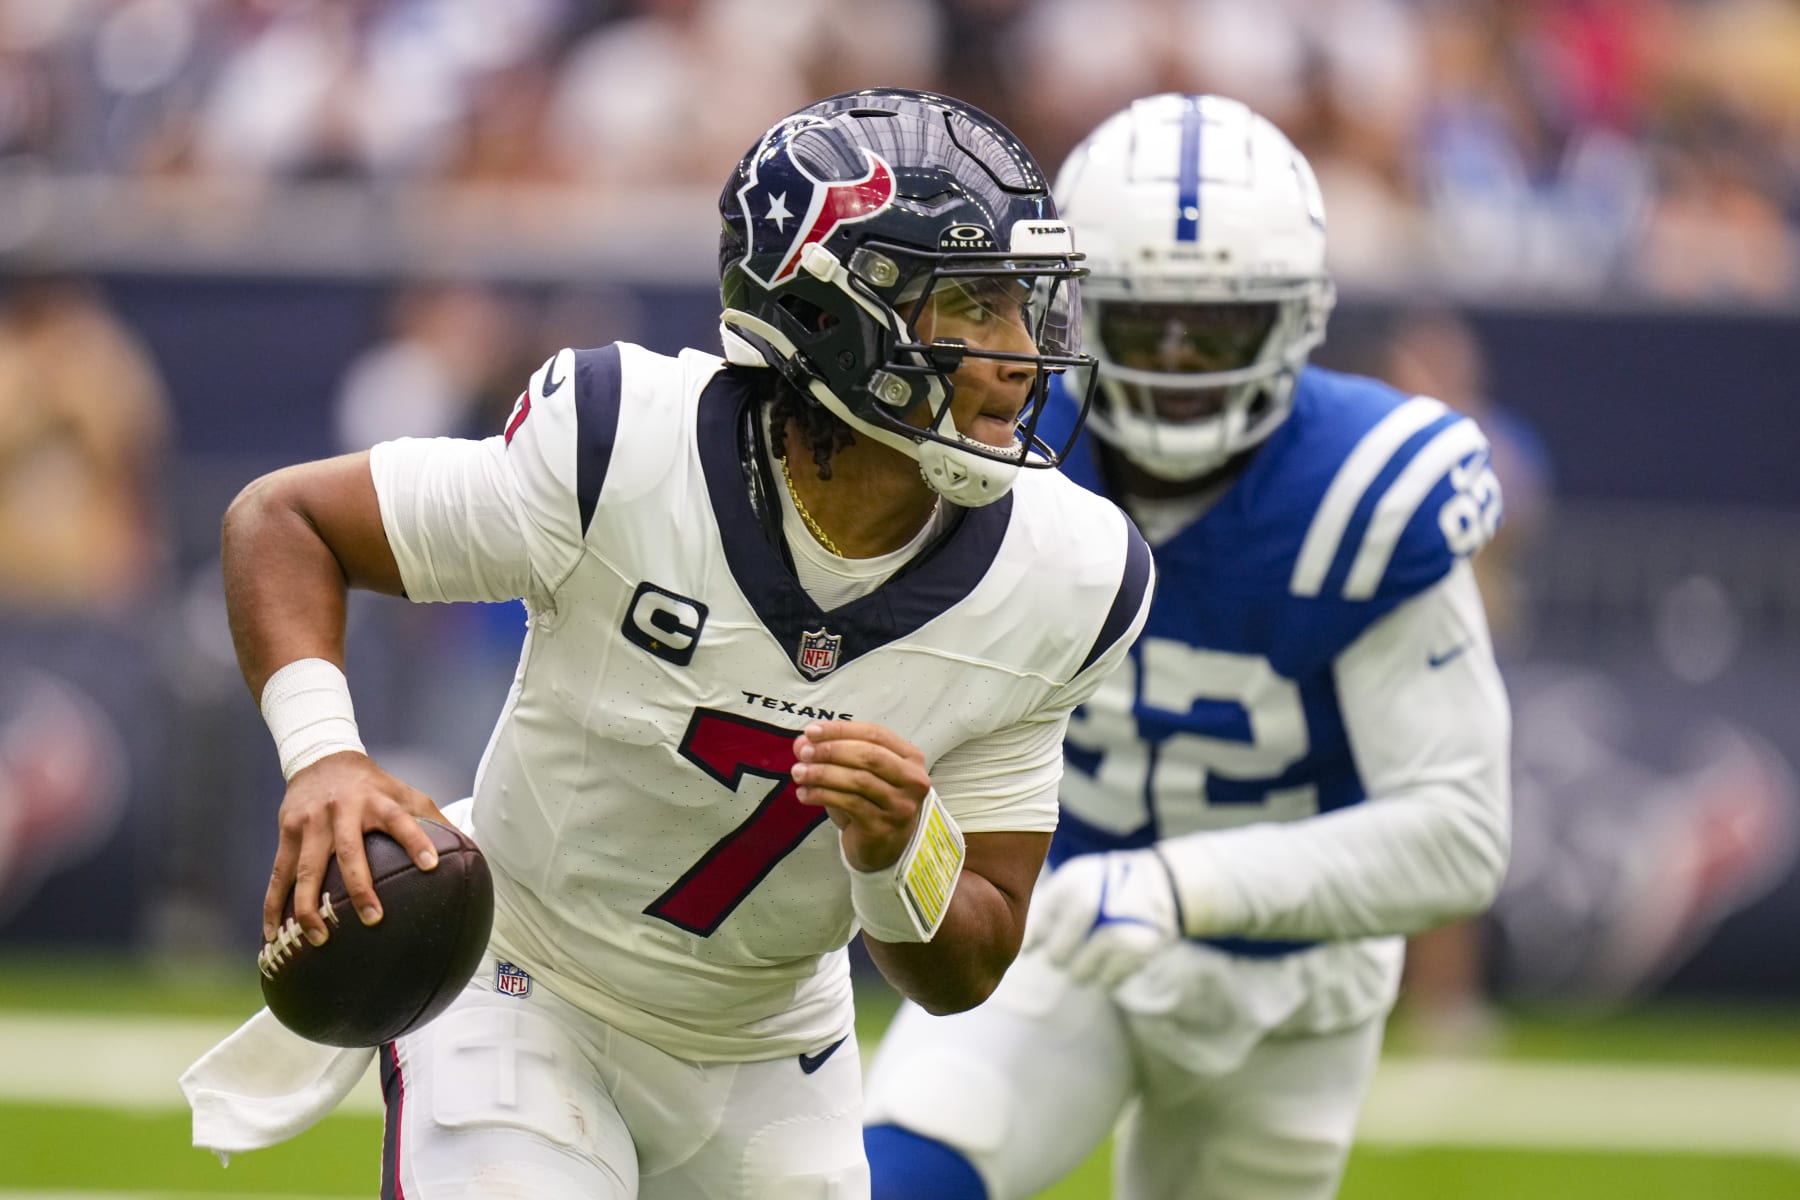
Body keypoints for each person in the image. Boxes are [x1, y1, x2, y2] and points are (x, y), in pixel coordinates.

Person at [214, 87, 1151, 1198]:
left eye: (1026, 309)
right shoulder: (623, 443)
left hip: (768, 1052)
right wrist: (323, 752)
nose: (1019, 358)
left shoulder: (1070, 575)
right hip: (527, 986)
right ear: (832, 314)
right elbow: (287, 521)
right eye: (973, 309)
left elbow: (971, 961)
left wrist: (905, 850)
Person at [862, 92, 1512, 1200]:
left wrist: (1179, 886)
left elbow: (1459, 835)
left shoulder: (1362, 490)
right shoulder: (1000, 461)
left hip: (1290, 987)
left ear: (1297, 320)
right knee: (902, 1175)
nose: (1172, 360)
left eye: (1213, 327)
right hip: (1050, 925)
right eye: (1141, 320)